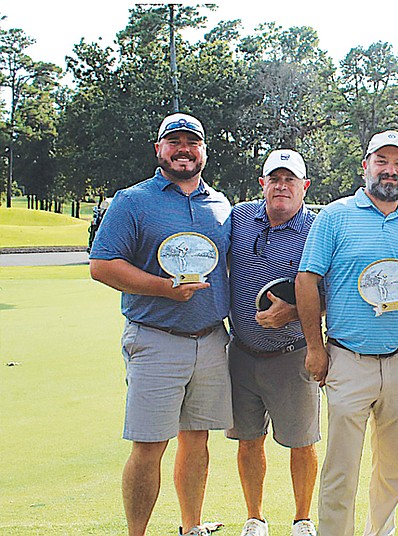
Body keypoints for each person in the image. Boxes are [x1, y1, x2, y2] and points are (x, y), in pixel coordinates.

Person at [89, 113, 232, 536]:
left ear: (204, 151)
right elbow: (102, 266)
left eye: (192, 142)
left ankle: (191, 527)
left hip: (210, 341)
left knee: (197, 440)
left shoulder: (221, 205)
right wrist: (162, 287)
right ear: (159, 150)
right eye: (174, 142)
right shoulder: (132, 201)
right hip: (155, 339)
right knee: (149, 445)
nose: (184, 150)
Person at [296, 130, 398, 536]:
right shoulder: (335, 216)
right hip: (347, 359)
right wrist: (315, 349)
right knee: (341, 470)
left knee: (393, 469)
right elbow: (307, 280)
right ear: (366, 166)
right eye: (382, 161)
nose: (390, 171)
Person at [227, 149, 321, 536]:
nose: (282, 186)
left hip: (292, 354)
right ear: (262, 183)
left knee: (302, 441)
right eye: (274, 179)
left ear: (304, 186)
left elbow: (333, 288)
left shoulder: (318, 227)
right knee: (249, 440)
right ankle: (255, 517)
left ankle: (302, 519)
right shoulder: (239, 217)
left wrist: (295, 311)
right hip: (242, 353)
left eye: (290, 180)